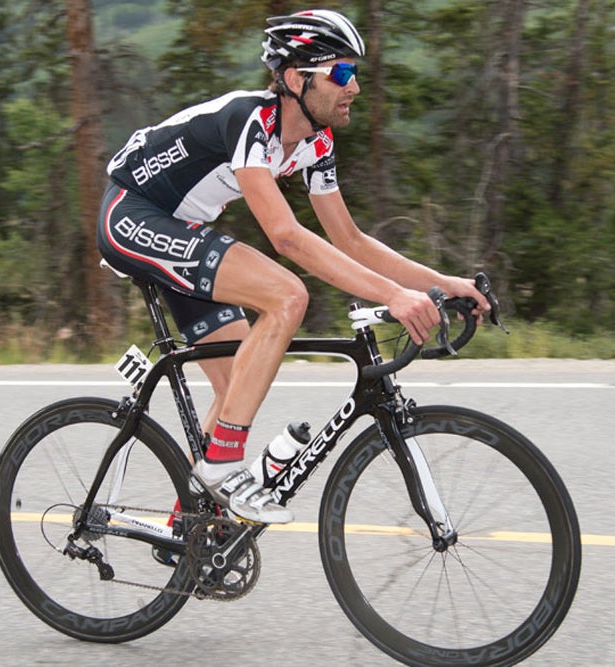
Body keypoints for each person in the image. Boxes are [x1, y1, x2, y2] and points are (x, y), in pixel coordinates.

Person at [97, 9, 489, 524]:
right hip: (130, 213)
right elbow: (286, 237)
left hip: (181, 229)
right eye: (342, 74)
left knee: (235, 382)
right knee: (287, 296)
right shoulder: (250, 122)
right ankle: (220, 467)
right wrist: (392, 296)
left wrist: (444, 284)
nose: (354, 88)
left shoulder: (316, 142)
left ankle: (189, 525)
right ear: (295, 78)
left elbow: (349, 239)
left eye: (356, 75)